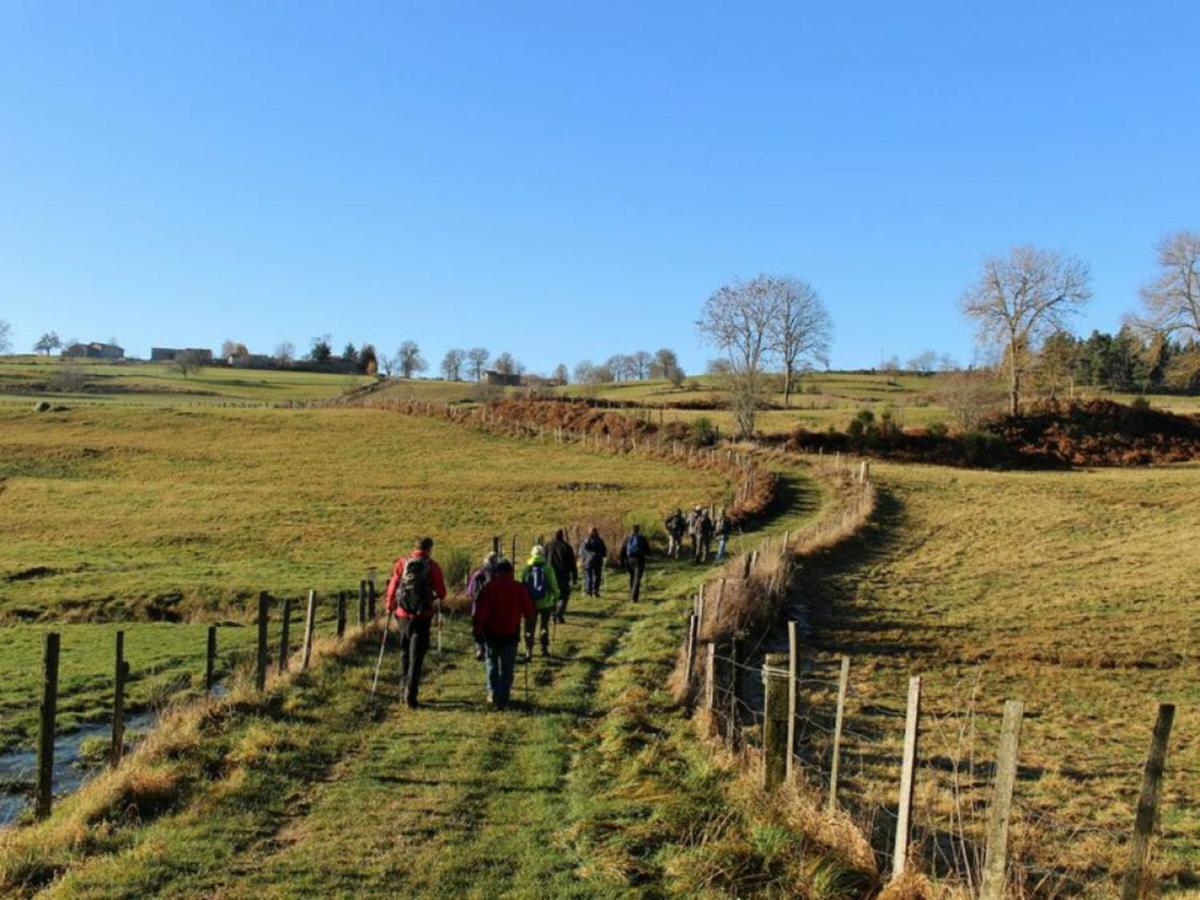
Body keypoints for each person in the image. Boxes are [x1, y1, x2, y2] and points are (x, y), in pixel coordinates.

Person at [384, 536, 448, 709]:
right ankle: (411, 696)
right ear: (429, 548)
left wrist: (389, 606)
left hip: (403, 615)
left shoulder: (402, 562)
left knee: (404, 652)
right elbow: (442, 593)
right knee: (416, 656)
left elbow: (393, 586)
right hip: (423, 616)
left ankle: (403, 689)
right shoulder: (432, 566)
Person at [472, 559, 536, 709]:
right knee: (507, 669)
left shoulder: (488, 588)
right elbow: (529, 612)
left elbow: (481, 614)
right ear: (511, 572)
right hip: (510, 634)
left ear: (496, 572)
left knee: (491, 664)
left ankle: (492, 693)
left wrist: (478, 633)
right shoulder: (518, 588)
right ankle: (503, 699)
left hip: (491, 634)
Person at [520, 545, 560, 655]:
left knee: (529, 627)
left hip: (530, 603)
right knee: (544, 625)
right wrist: (555, 598)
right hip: (545, 602)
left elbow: (521, 584)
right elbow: (553, 585)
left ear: (532, 554)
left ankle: (528, 650)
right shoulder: (547, 567)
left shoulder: (527, 567)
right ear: (542, 554)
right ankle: (544, 649)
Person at [466, 551, 500, 660]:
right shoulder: (497, 576)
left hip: (477, 607)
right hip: (493, 608)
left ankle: (479, 649)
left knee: (478, 630)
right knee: (490, 630)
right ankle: (490, 650)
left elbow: (470, 592)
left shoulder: (476, 574)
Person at [544, 529, 578, 624]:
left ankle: (552, 614)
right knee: (563, 596)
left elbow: (543, 560)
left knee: (552, 596)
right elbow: (572, 563)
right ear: (562, 535)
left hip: (550, 575)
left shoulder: (547, 546)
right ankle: (559, 613)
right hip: (563, 575)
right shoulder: (566, 547)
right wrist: (574, 576)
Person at [618, 524, 649, 602]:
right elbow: (648, 551)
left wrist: (622, 562)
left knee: (632, 577)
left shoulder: (627, 538)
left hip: (629, 560)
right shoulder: (642, 538)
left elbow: (622, 551)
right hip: (639, 560)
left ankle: (632, 594)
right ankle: (634, 597)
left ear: (631, 530)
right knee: (637, 579)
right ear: (639, 530)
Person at [579, 527, 607, 597]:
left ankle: (589, 591)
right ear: (596, 532)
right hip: (598, 560)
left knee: (588, 576)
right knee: (597, 576)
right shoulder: (600, 541)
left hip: (588, 561)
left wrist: (582, 559)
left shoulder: (585, 541)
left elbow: (581, 552)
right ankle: (595, 591)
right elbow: (604, 551)